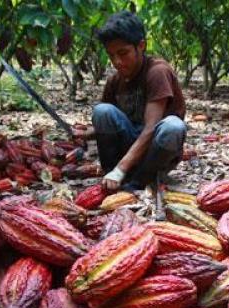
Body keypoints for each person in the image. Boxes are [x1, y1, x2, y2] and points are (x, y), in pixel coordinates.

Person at [73, 11, 187, 192]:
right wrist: (86, 134)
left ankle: (138, 182)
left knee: (173, 127)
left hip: (154, 152)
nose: (117, 61)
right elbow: (110, 123)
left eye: (123, 53)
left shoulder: (157, 71)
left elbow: (151, 129)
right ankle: (110, 177)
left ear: (141, 46)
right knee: (102, 111)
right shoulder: (115, 81)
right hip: (127, 149)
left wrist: (121, 169)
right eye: (111, 55)